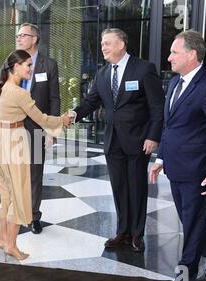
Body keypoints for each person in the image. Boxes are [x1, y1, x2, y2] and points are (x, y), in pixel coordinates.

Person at [150, 30, 206, 281]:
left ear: (192, 54)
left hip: (199, 172)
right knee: (192, 221)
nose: (169, 57)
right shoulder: (174, 83)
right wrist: (160, 158)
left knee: (192, 227)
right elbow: (170, 126)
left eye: (174, 52)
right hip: (175, 168)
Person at [70, 28, 164, 252]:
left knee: (137, 188)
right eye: (102, 43)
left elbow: (157, 107)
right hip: (112, 142)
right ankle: (122, 232)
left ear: (121, 44)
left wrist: (154, 136)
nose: (103, 47)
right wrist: (73, 114)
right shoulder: (103, 74)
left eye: (107, 43)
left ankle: (137, 235)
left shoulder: (143, 69)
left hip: (138, 140)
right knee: (119, 187)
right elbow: (91, 101)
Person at [0, 23, 60, 234]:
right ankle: (5, 214)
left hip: (35, 127)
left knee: (34, 172)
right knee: (8, 174)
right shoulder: (12, 60)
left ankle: (33, 217)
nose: (18, 38)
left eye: (23, 35)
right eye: (17, 35)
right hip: (10, 130)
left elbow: (54, 99)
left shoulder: (49, 65)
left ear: (34, 39)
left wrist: (51, 130)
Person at [0, 49, 70, 260]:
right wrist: (62, 120)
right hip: (16, 142)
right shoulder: (20, 93)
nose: (30, 68)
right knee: (19, 195)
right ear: (16, 67)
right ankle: (11, 246)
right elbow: (42, 119)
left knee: (6, 195)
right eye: (27, 65)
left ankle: (2, 238)